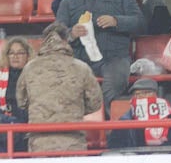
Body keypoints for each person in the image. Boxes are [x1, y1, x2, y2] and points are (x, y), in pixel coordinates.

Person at [56, 0, 146, 106]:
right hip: (80, 59)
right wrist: (71, 33)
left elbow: (141, 23)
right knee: (68, 85)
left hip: (115, 58)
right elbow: (56, 34)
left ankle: (105, 122)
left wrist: (117, 21)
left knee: (113, 85)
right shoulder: (68, 2)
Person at [14, 22, 104, 153]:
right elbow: (95, 102)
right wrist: (75, 108)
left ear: (44, 40)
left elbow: (21, 102)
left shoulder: (30, 67)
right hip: (73, 140)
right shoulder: (81, 67)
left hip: (40, 140)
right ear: (66, 39)